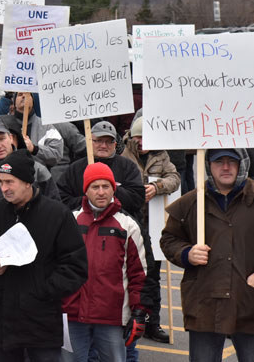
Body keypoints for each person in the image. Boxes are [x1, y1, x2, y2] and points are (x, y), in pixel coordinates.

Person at [0, 150, 88, 362]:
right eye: (1, 182)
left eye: (10, 182)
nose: (3, 188)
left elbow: (75, 266)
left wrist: (43, 291)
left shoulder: (58, 215)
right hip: (1, 324)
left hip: (41, 324)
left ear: (27, 182)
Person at [161, 148, 254, 361]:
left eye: (232, 161)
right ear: (208, 165)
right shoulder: (192, 202)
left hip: (249, 301)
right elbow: (169, 239)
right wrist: (186, 253)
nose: (225, 167)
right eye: (218, 161)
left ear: (242, 164)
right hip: (205, 301)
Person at [61, 162, 152, 362]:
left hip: (112, 316)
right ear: (85, 190)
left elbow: (140, 274)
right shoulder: (70, 221)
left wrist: (139, 311)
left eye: (106, 186)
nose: (101, 192)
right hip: (73, 313)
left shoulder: (128, 226)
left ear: (114, 188)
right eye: (95, 187)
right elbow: (57, 267)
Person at [121, 117, 180, 344]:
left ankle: (152, 323)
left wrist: (157, 186)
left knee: (153, 277)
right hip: (130, 223)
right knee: (130, 275)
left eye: (147, 137)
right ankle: (130, 319)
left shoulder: (161, 155)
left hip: (152, 225)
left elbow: (174, 178)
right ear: (132, 137)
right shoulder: (122, 153)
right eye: (139, 137)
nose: (143, 142)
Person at [57, 121, 145, 216]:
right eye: (99, 140)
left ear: (115, 145)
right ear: (89, 141)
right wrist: (87, 201)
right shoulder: (75, 168)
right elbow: (61, 199)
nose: (103, 145)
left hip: (120, 226)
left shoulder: (128, 166)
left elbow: (137, 200)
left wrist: (112, 190)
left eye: (108, 142)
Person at [9, 92, 63, 168]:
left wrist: (35, 149)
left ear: (33, 101)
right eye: (20, 95)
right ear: (14, 102)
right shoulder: (4, 124)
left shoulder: (47, 127)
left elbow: (56, 155)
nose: (24, 96)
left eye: (28, 94)